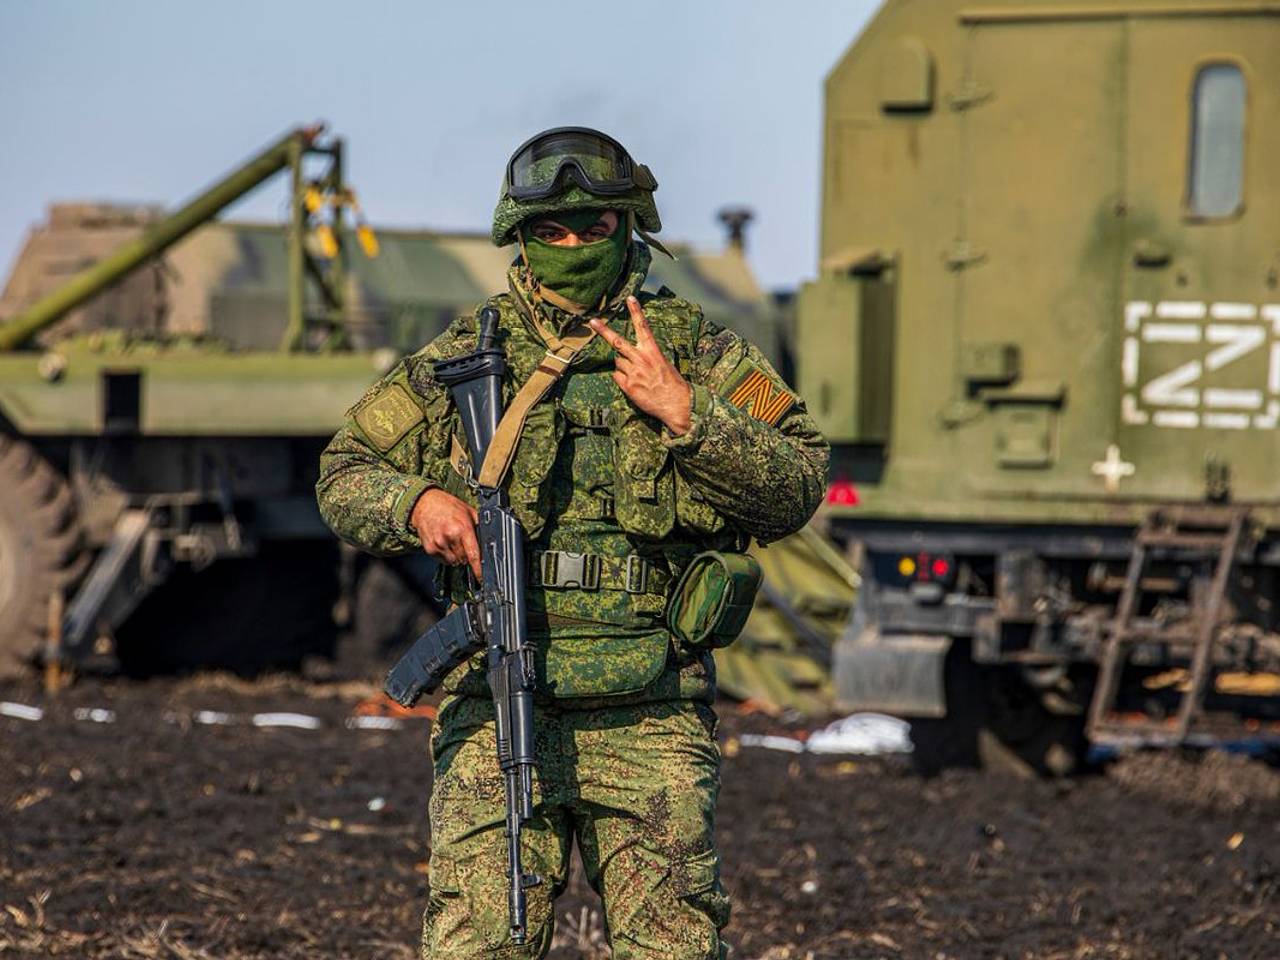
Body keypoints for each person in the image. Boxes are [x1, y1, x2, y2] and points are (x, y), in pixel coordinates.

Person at [316, 126, 829, 960]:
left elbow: (799, 484)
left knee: (673, 945)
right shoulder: (467, 357)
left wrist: (687, 414)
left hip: (650, 710)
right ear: (518, 237)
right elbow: (344, 471)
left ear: (629, 229)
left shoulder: (694, 350)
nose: (571, 248)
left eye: (593, 228)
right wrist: (418, 504)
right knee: (480, 943)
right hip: (497, 702)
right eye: (550, 232)